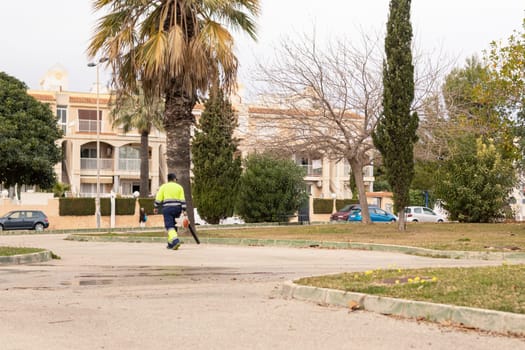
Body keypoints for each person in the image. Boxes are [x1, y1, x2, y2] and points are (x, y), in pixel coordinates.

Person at [153, 172, 186, 250]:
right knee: (174, 225)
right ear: (174, 179)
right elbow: (182, 199)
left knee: (169, 226)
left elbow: (158, 198)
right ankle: (170, 244)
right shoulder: (179, 187)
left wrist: (155, 206)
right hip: (178, 208)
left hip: (167, 209)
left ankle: (175, 240)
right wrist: (184, 209)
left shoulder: (163, 187)